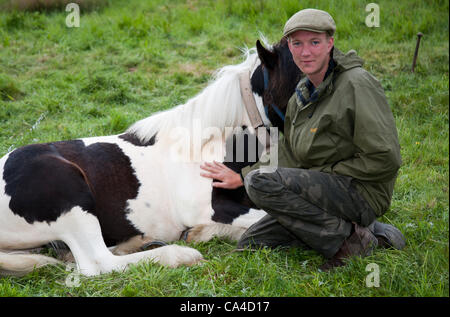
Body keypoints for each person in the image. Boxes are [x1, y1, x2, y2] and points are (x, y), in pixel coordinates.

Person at [200, 8, 405, 270]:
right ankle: (378, 233)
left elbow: (386, 158)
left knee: (260, 184)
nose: (305, 52)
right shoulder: (302, 91)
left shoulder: (357, 85)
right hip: (328, 188)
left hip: (361, 190)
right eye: (297, 44)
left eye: (314, 42)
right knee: (253, 241)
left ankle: (351, 242)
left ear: (330, 43)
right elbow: (291, 149)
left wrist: (325, 173)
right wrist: (242, 175)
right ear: (290, 48)